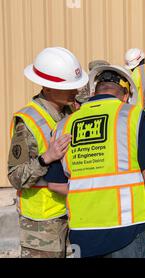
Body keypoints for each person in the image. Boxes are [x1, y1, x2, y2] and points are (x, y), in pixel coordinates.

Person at [45, 65, 145, 258]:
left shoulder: (63, 125)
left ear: (94, 91)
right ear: (126, 94)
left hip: (83, 232)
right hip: (129, 229)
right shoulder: (135, 116)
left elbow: (54, 184)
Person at [8, 47, 88, 258]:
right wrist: (46, 159)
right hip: (42, 223)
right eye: (69, 87)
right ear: (48, 88)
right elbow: (15, 177)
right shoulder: (27, 121)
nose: (76, 92)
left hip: (73, 212)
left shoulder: (73, 113)